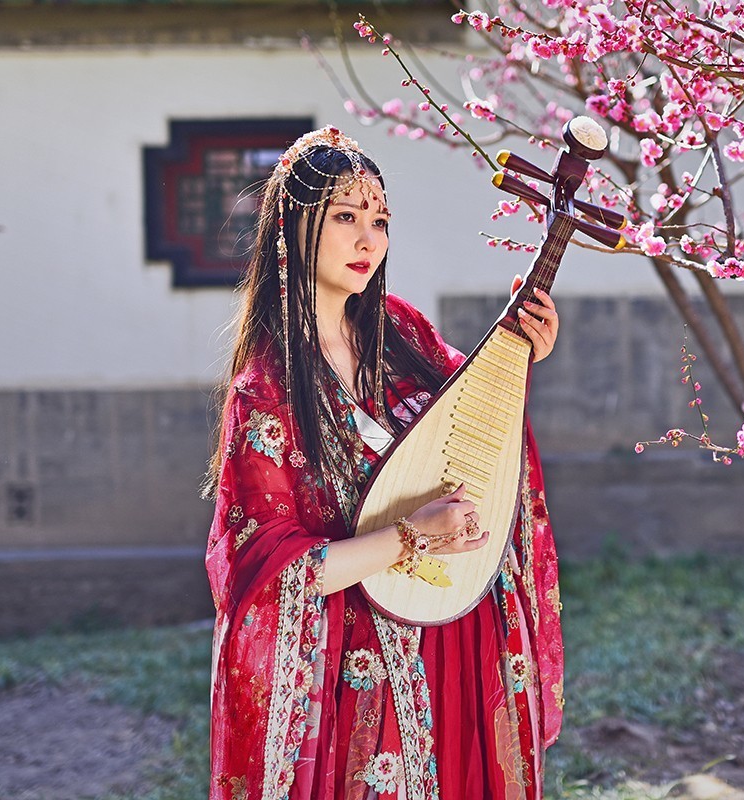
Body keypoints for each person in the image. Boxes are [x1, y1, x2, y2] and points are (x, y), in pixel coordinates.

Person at [203, 126, 564, 800]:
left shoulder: (404, 334)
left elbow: (479, 439)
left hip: (458, 625)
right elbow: (271, 574)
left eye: (380, 220)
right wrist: (409, 537)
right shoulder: (269, 386)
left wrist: (524, 356)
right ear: (293, 226)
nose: (369, 239)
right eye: (346, 217)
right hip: (357, 665)